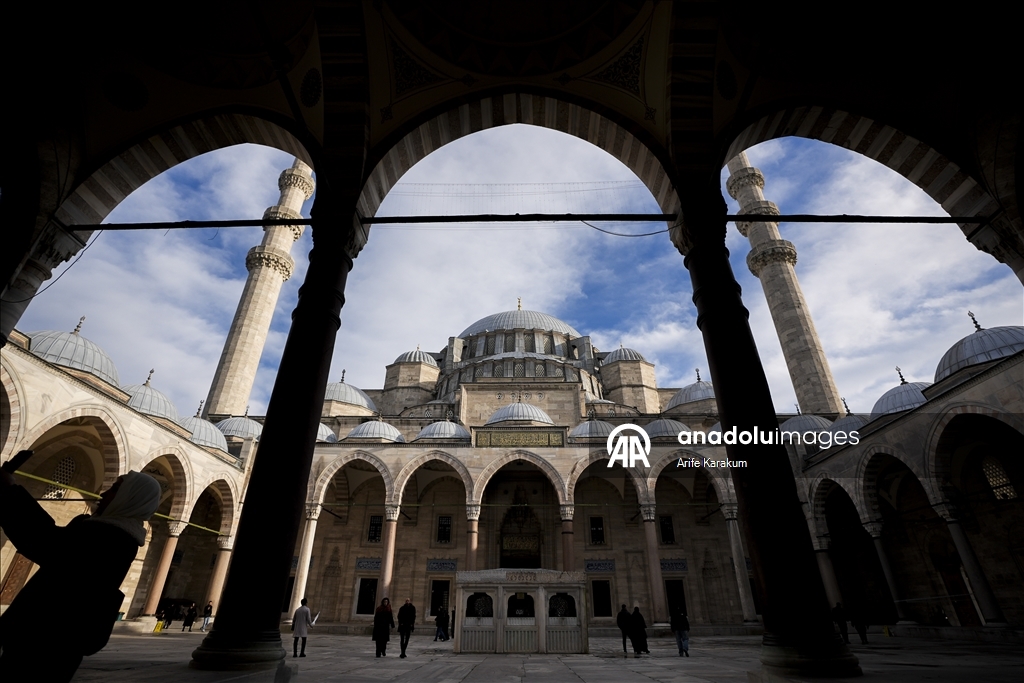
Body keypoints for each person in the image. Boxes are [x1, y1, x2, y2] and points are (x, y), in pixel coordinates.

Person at [0, 454, 161, 683]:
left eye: (115, 489)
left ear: (130, 498)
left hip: (47, 644)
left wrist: (9, 488)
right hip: (48, 643)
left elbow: (46, 543)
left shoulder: (111, 539)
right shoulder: (113, 535)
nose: (104, 494)